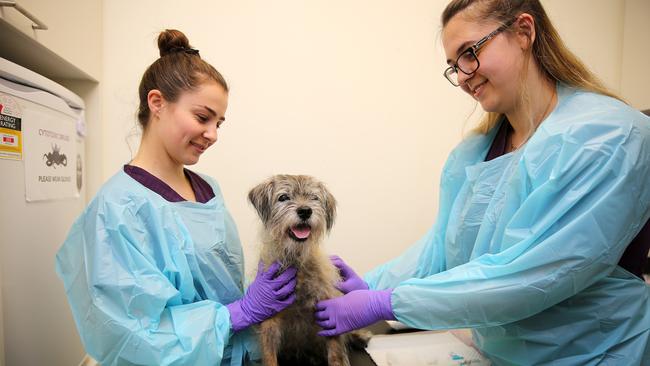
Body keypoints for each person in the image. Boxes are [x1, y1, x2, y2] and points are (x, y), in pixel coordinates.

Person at [314, 1, 650, 364]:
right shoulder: (475, 153)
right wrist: (370, 285)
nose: (462, 77)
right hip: (499, 354)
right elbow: (440, 249)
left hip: (593, 354)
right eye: (452, 67)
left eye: (469, 54)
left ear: (524, 31)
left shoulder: (607, 137)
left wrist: (387, 302)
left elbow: (531, 275)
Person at [55, 29, 297, 366]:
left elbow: (215, 285)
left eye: (219, 123)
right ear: (157, 103)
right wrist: (236, 314)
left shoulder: (208, 189)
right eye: (202, 117)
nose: (212, 134)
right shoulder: (116, 210)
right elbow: (132, 335)